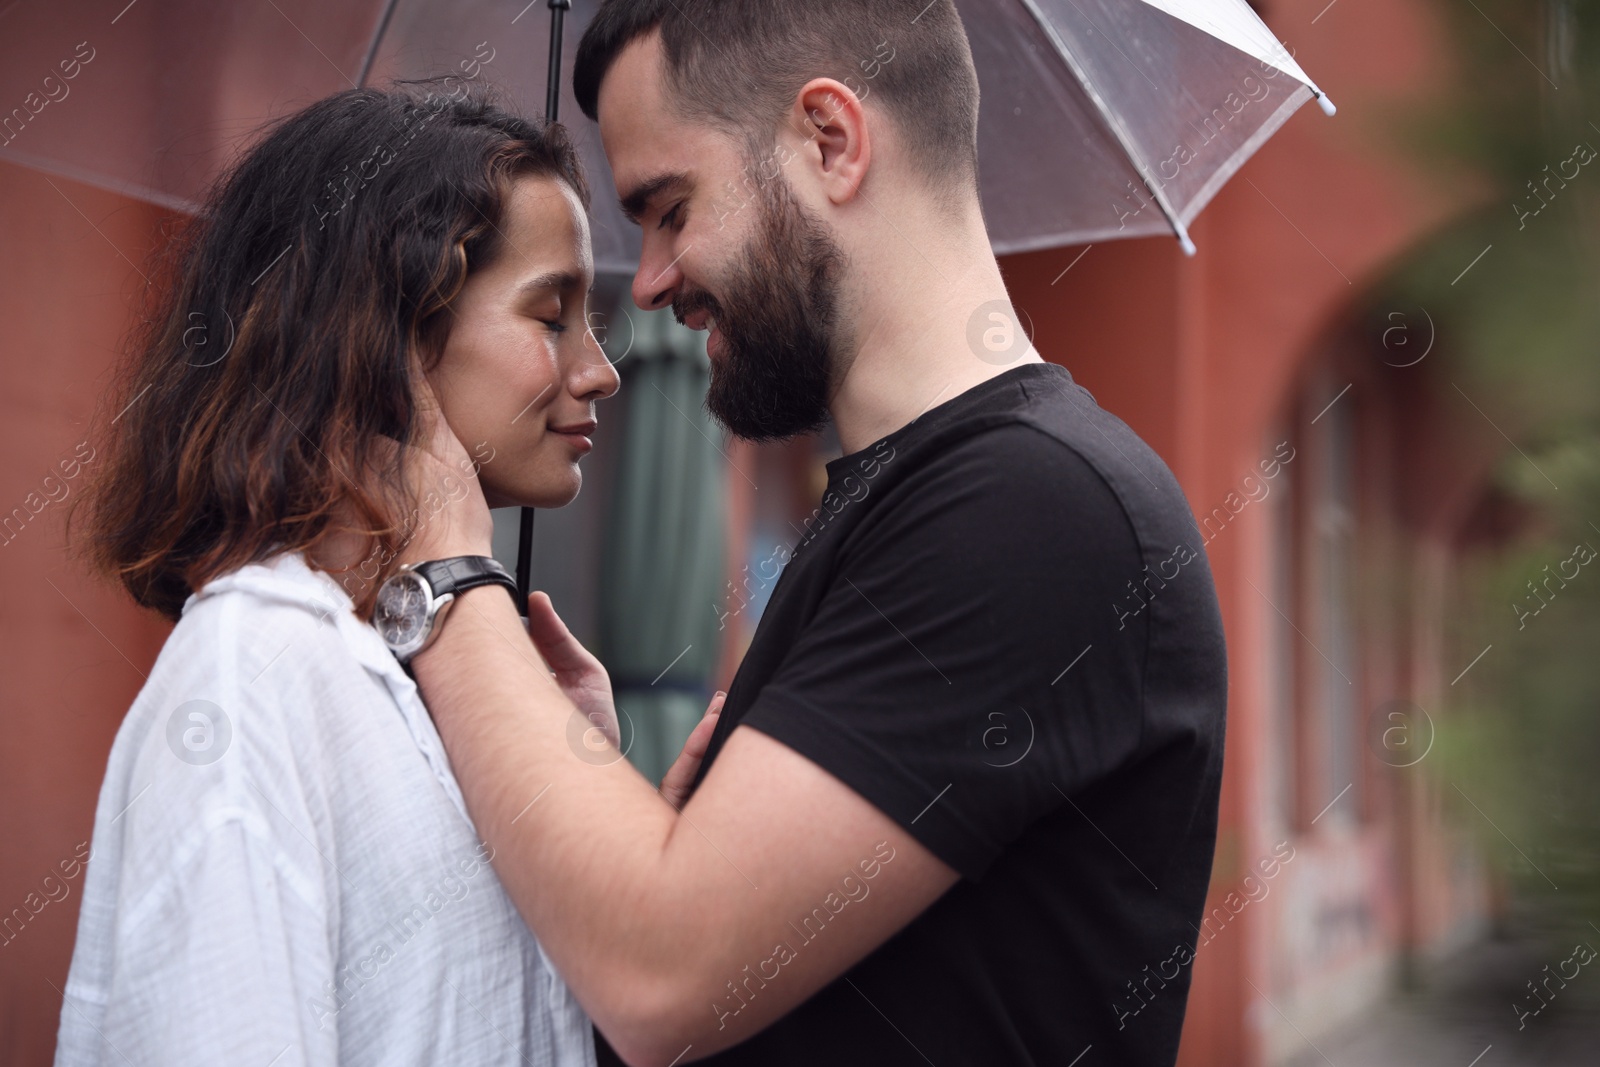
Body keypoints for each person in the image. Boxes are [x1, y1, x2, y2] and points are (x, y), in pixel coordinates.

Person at [398, 2, 1228, 1065]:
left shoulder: (1032, 508)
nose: (648, 282)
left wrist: (447, 574)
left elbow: (663, 973)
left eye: (669, 207)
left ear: (829, 141)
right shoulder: (916, 492)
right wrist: (600, 797)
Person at [57, 77, 714, 1066]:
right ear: (393, 329)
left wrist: (584, 797)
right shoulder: (253, 672)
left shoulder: (434, 678)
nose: (600, 368)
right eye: (552, 314)